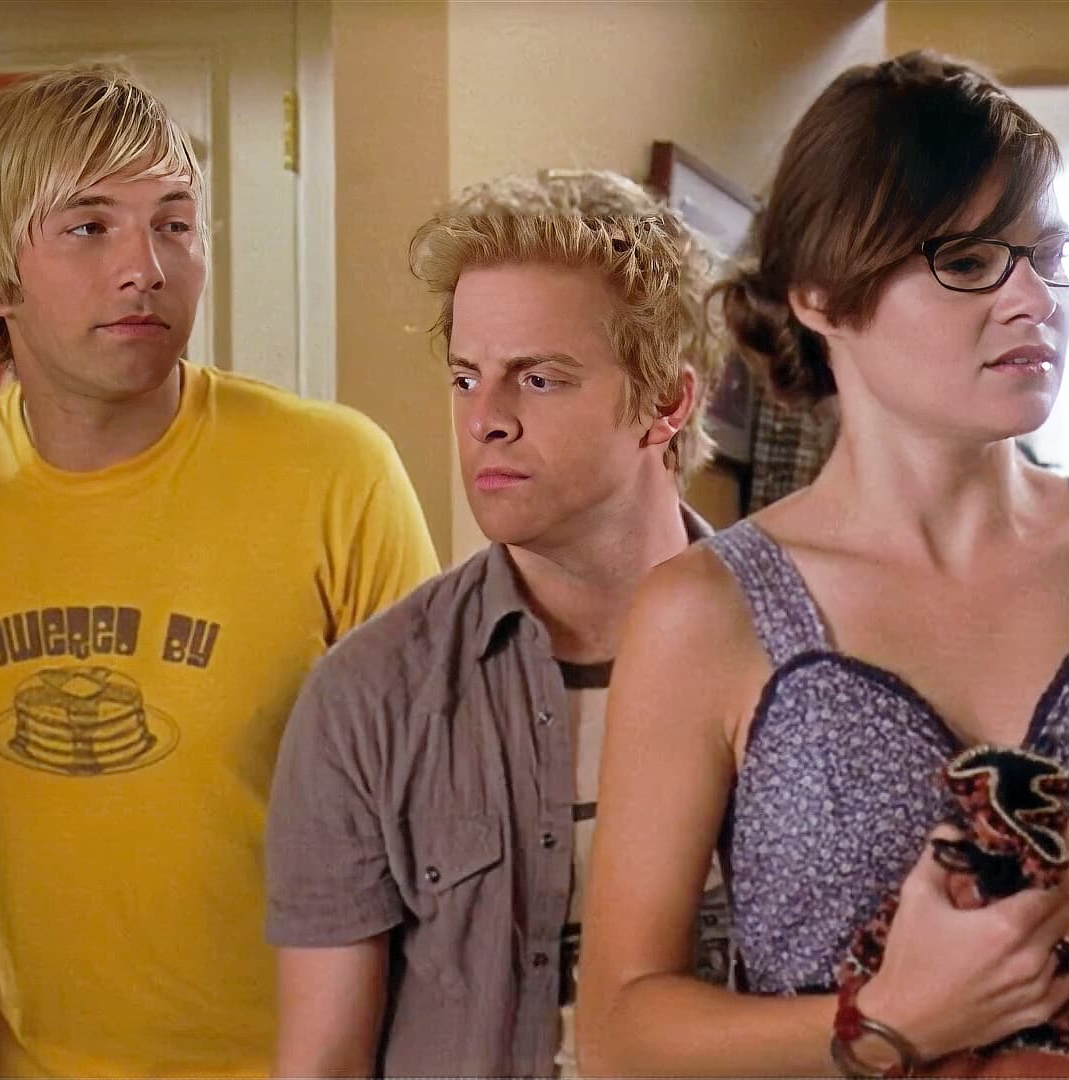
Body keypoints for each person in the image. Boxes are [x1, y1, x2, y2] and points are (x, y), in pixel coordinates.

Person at [577, 51, 1069, 1076]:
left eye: (1050, 254)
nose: (1036, 299)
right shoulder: (707, 610)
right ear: (821, 294)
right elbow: (618, 1034)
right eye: (971, 262)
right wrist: (889, 1022)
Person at [0, 63, 437, 1077]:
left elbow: (442, 814)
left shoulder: (334, 469)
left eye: (175, 224)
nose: (145, 267)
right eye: (89, 226)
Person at [263, 169, 729, 1077]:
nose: (486, 421)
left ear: (667, 405)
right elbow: (324, 1062)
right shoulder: (369, 698)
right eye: (467, 378)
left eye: (539, 380)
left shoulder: (794, 659)